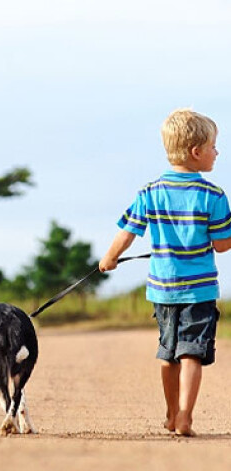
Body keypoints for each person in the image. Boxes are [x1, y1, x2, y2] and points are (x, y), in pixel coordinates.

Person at [99, 109, 231, 437]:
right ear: (196, 152)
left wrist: (109, 258)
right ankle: (186, 414)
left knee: (169, 352)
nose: (217, 152)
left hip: (162, 289)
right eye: (214, 146)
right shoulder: (213, 195)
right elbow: (222, 245)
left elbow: (127, 232)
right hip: (199, 291)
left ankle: (172, 414)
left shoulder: (149, 191)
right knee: (193, 353)